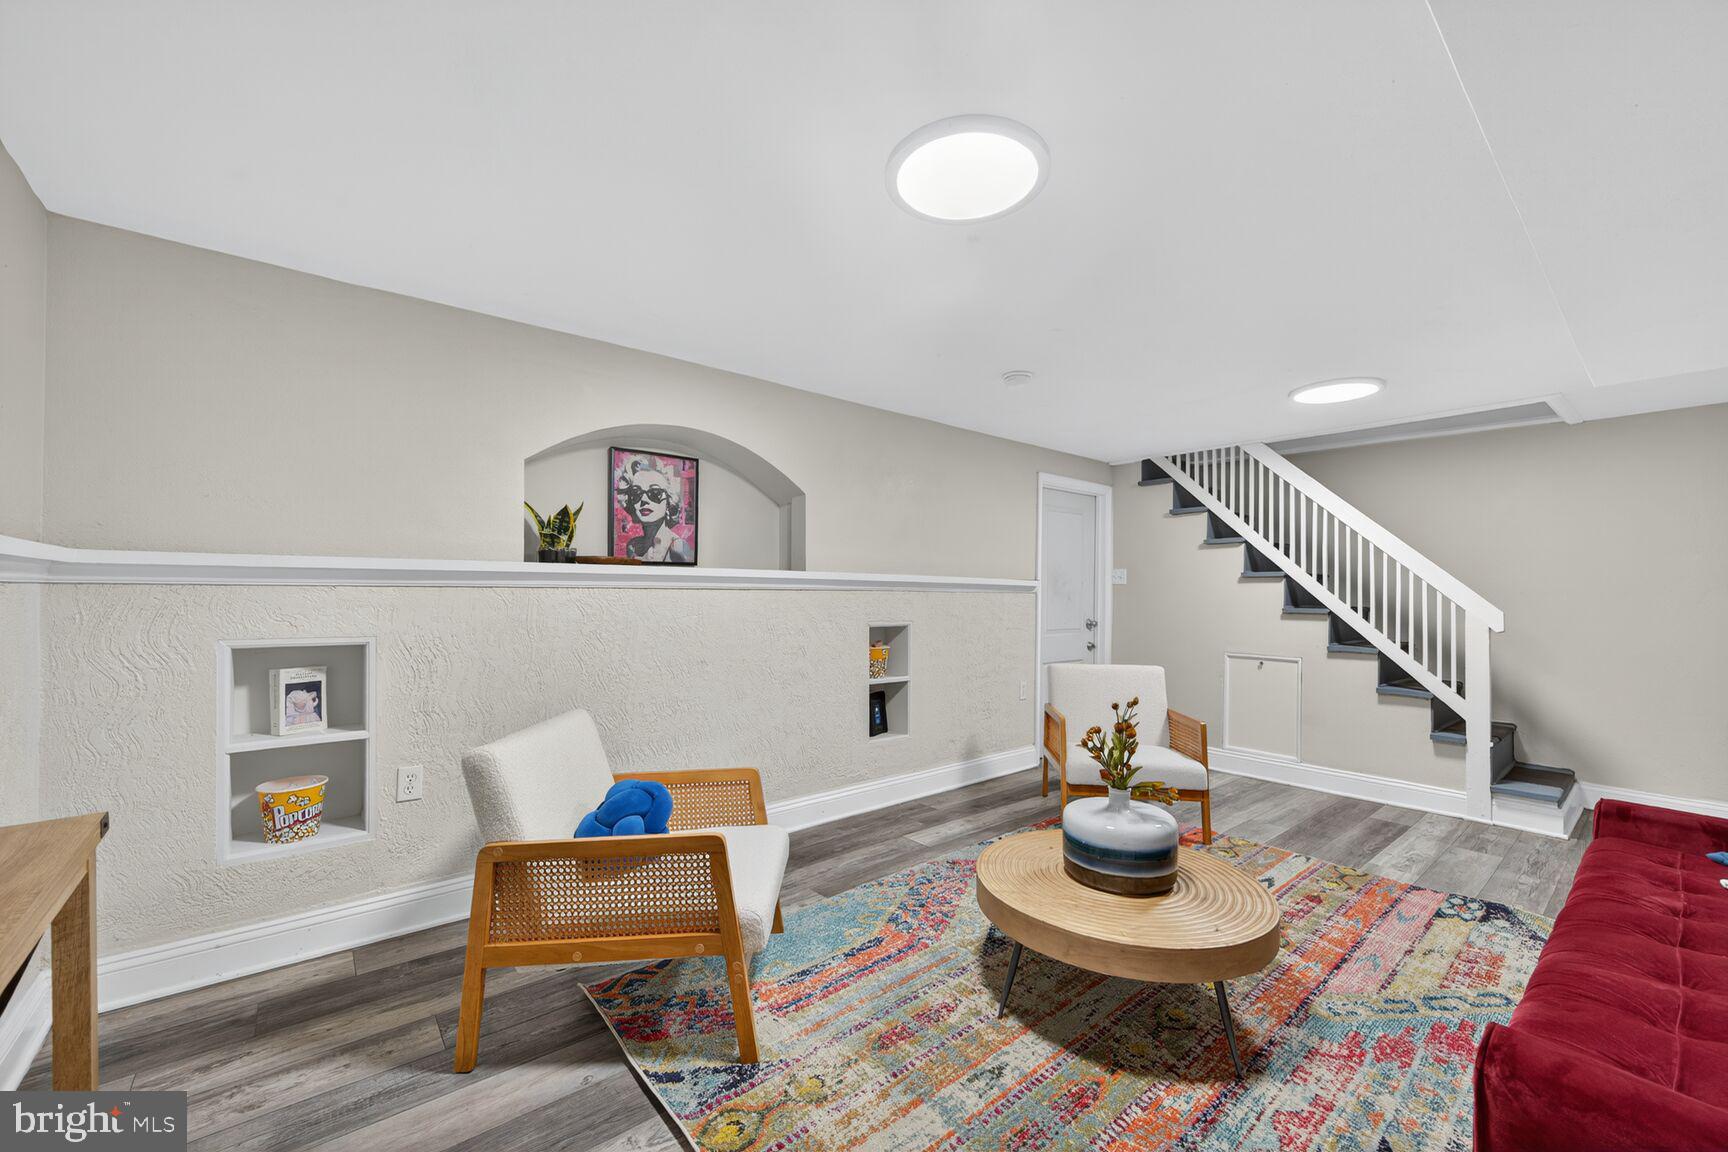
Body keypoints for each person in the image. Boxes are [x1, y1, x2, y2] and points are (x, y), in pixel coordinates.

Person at [615, 458, 693, 563]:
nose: (644, 500)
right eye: (636, 493)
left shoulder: (678, 547)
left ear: (669, 501)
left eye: (655, 493)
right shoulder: (633, 546)